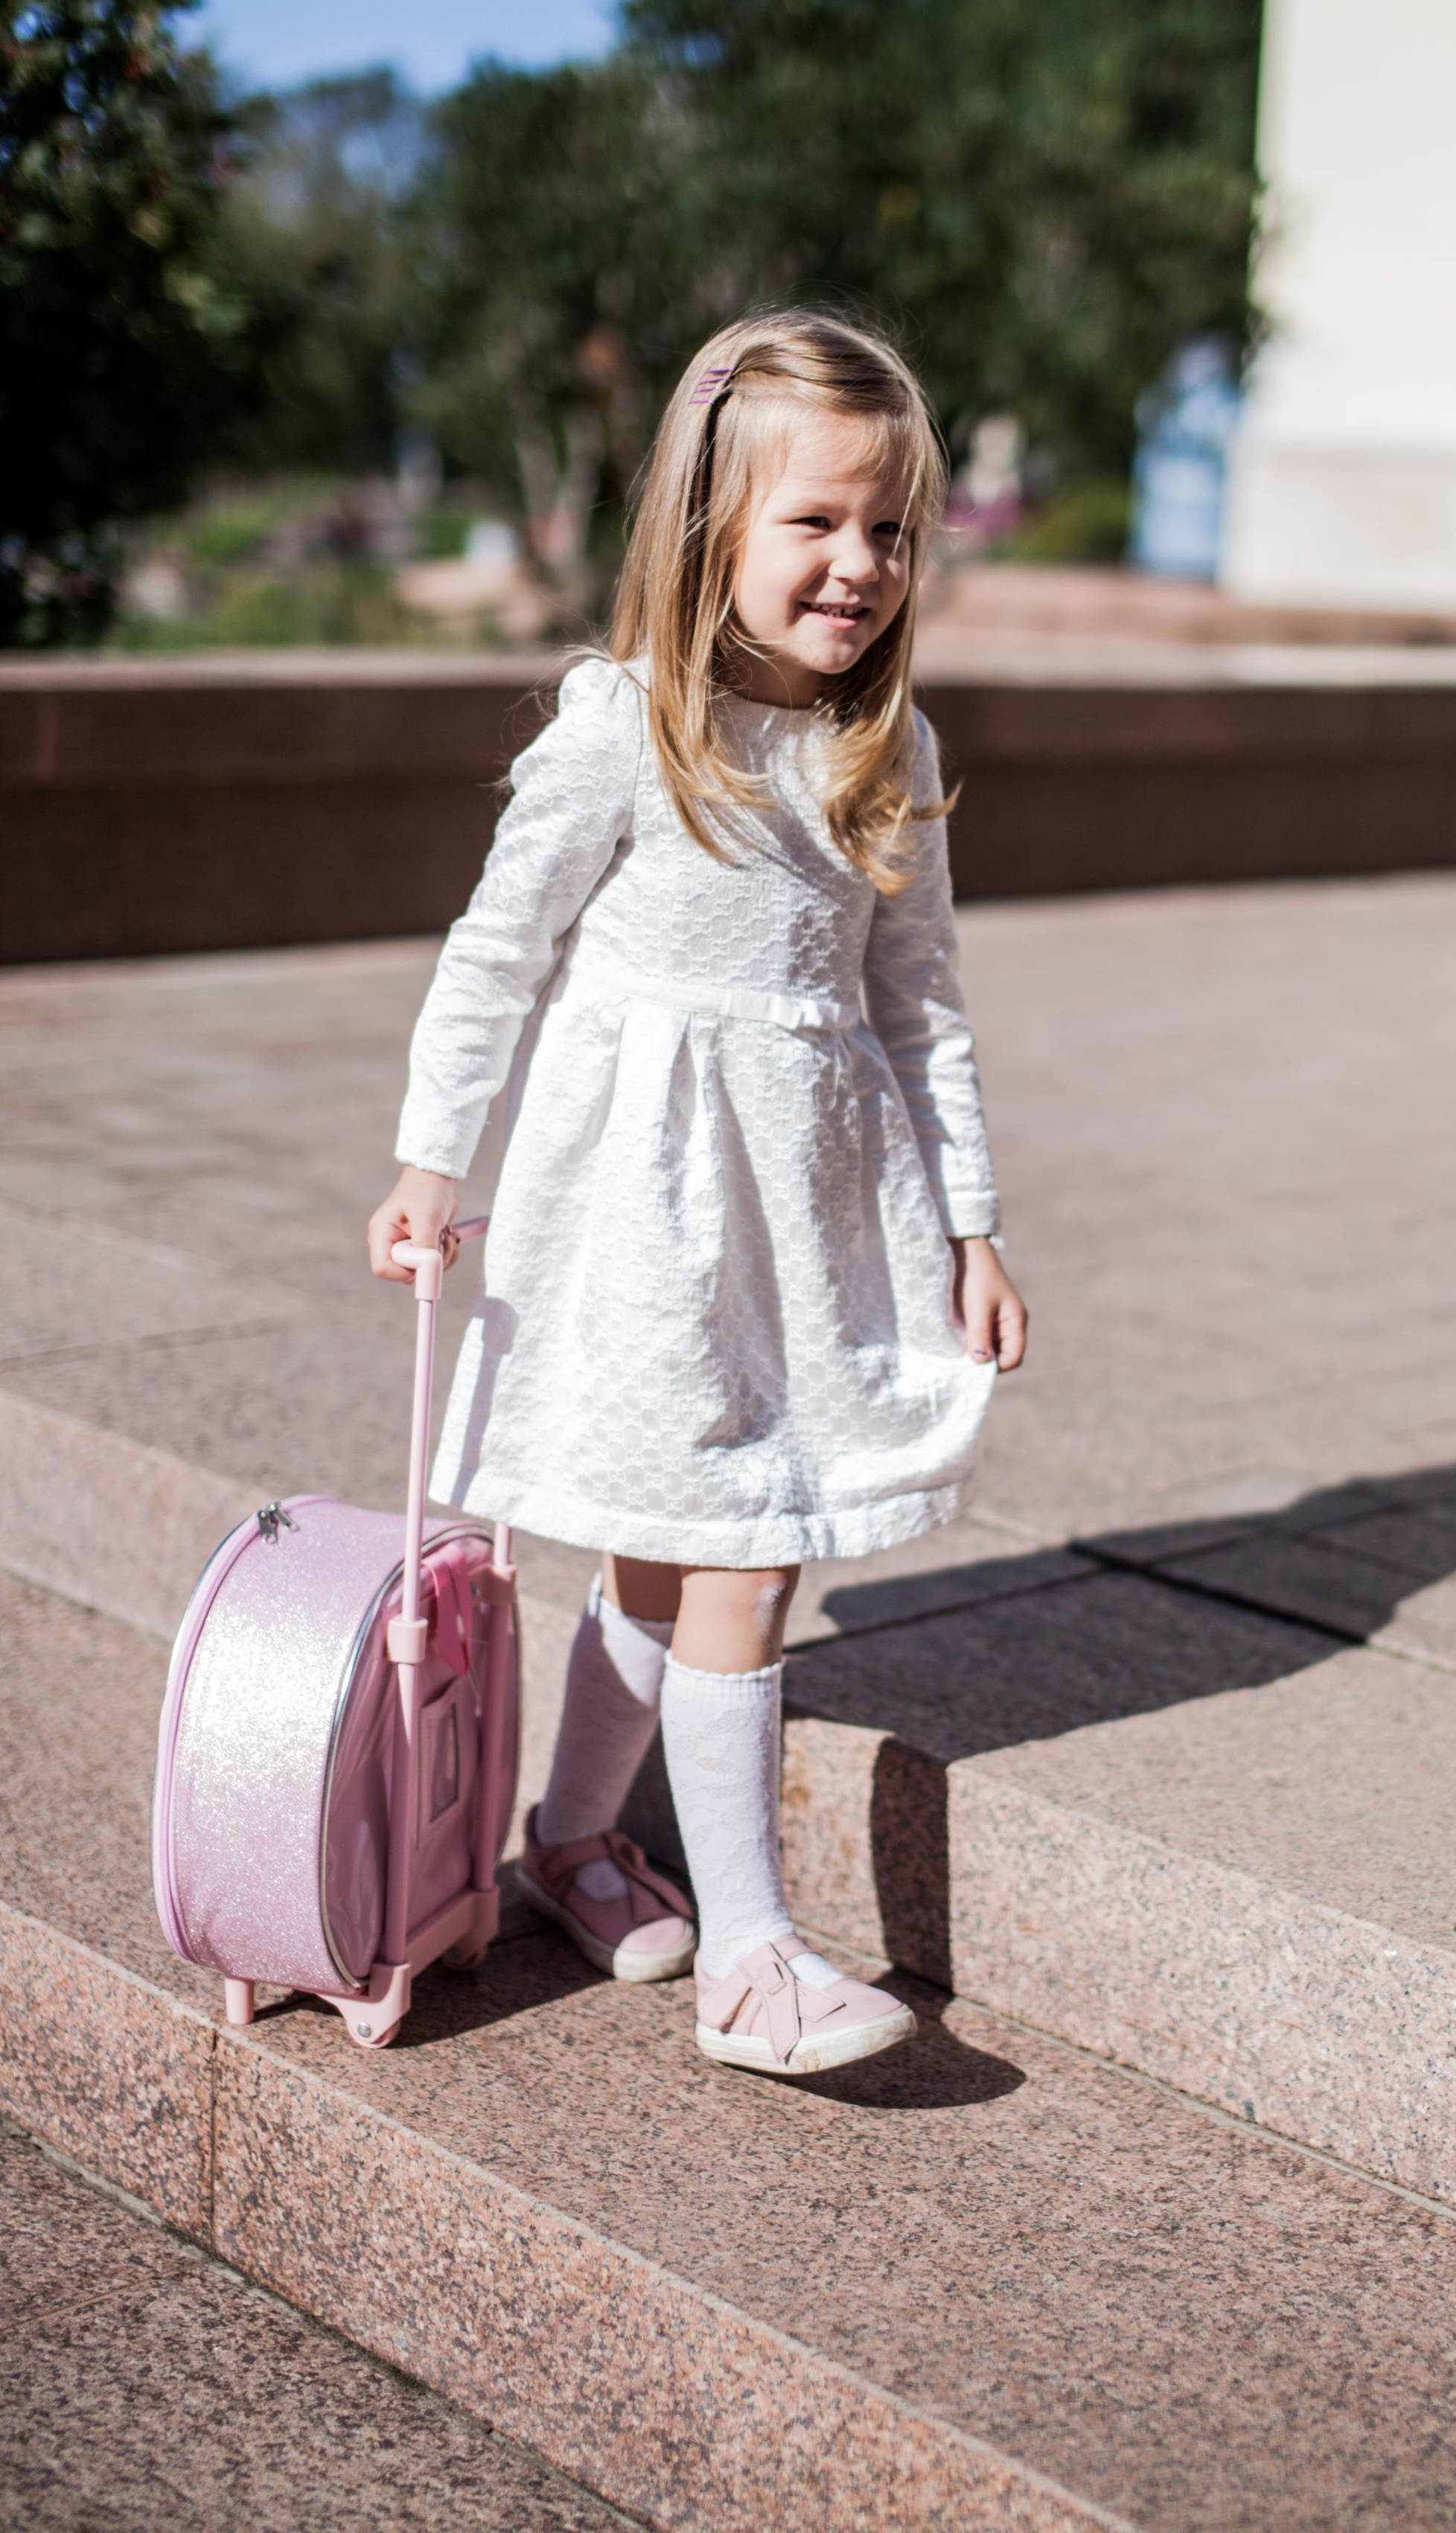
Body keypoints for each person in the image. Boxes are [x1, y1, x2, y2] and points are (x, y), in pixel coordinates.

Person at [368, 309, 1026, 2077]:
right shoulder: (625, 730)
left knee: (676, 1559)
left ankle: (569, 1845)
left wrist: (968, 1224)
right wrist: (434, 1161)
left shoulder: (886, 750)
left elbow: (921, 1003)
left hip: (811, 1225)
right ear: (708, 529)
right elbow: (493, 955)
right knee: (742, 1554)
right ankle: (752, 1957)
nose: (858, 564)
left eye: (889, 529)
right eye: (814, 522)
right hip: (649, 1217)